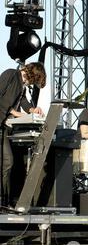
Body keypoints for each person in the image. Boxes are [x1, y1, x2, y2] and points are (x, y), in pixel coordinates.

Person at [0, 62, 46, 207]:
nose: (31, 83)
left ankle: (5, 200)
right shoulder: (11, 74)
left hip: (5, 127)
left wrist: (32, 110)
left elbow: (24, 101)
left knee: (8, 163)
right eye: (34, 80)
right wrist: (13, 112)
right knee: (8, 161)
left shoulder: (22, 86)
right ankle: (3, 200)